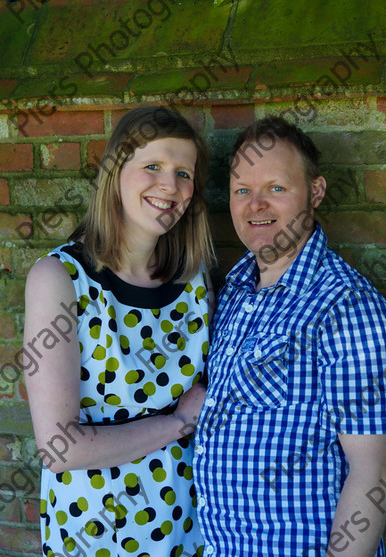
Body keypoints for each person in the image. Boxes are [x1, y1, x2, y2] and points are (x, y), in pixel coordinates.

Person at [24, 106, 215, 557]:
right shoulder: (61, 278)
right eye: (152, 166)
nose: (170, 186)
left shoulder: (196, 276)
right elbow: (60, 447)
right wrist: (177, 423)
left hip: (192, 528)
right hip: (99, 533)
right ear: (115, 172)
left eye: (183, 173)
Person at [193, 115, 386, 556]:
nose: (255, 205)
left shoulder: (346, 306)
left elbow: (373, 471)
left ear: (315, 192)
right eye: (243, 191)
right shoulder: (233, 291)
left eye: (275, 188)